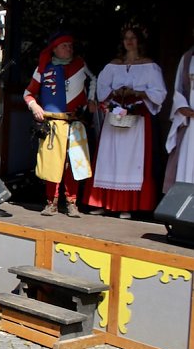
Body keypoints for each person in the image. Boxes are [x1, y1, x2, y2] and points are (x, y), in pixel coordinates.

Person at [83, 24, 166, 219]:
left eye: (133, 38)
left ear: (140, 41)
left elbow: (159, 92)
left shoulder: (150, 66)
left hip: (136, 115)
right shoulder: (114, 65)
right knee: (108, 157)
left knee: (130, 160)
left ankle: (125, 205)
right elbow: (102, 88)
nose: (129, 41)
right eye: (126, 38)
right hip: (115, 113)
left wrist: (138, 92)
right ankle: (102, 202)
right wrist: (116, 91)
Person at [24, 32, 96, 216]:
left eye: (71, 46)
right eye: (65, 45)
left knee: (74, 164)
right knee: (52, 165)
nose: (69, 48)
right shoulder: (43, 68)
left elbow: (95, 80)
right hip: (53, 124)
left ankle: (72, 202)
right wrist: (35, 107)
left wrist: (91, 99)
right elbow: (28, 93)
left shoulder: (80, 64)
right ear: (55, 49)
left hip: (75, 122)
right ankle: (51, 202)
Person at [164, 42, 194, 190]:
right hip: (191, 119)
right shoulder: (188, 58)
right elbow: (178, 89)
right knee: (187, 160)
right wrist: (182, 107)